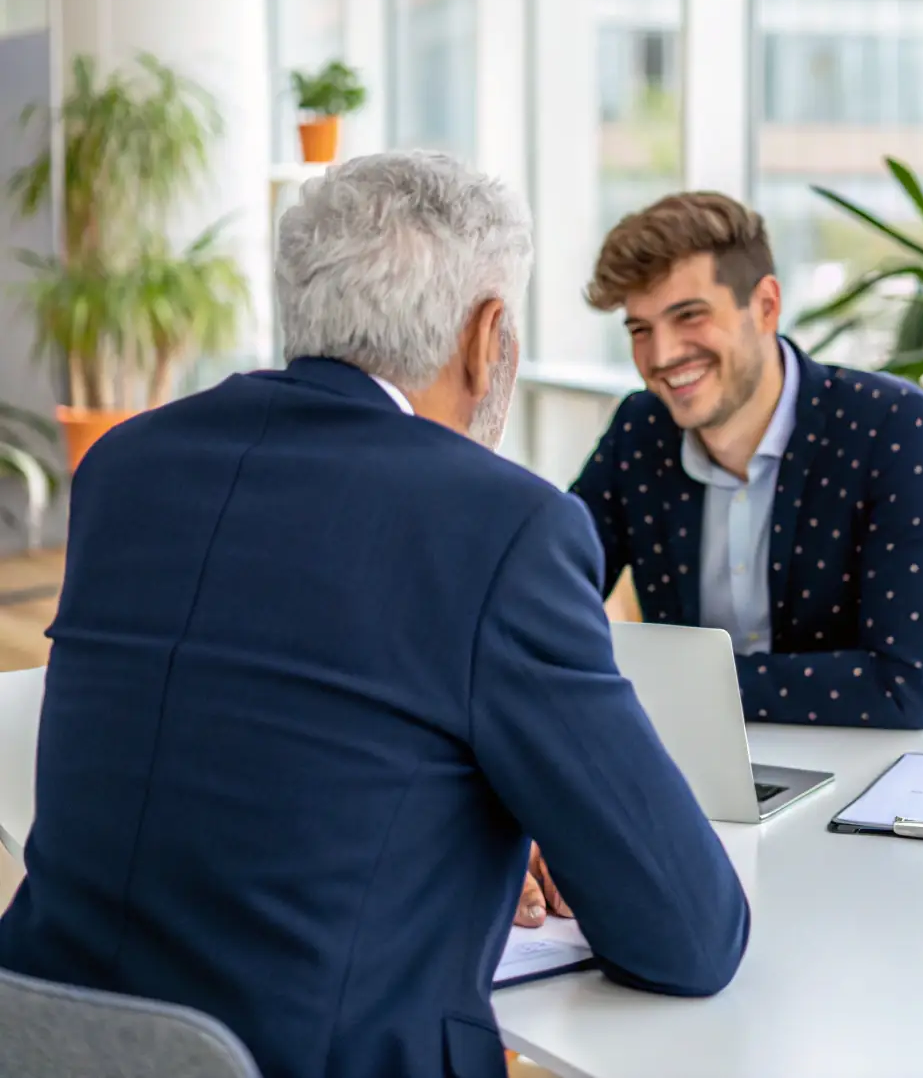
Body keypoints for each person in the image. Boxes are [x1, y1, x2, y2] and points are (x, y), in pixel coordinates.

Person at [0, 153, 749, 1078]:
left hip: (45, 1036)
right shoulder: (499, 524)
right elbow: (689, 934)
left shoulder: (127, 466)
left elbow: (251, 736)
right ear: (488, 337)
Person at [572, 191, 923, 732]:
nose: (660, 357)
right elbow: (552, 592)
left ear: (766, 307)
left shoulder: (890, 427)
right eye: (641, 330)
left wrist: (678, 684)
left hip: (882, 772)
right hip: (702, 760)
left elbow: (901, 688)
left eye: (689, 316)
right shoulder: (639, 431)